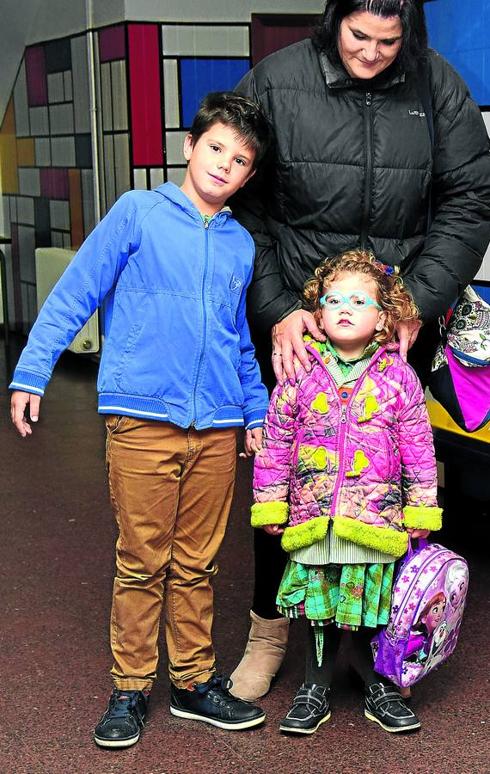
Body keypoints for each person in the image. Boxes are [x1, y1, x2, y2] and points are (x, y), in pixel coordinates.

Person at [230, 0, 490, 702]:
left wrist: (419, 302)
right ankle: (269, 630)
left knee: (393, 476)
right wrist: (280, 307)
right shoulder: (277, 80)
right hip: (301, 322)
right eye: (357, 36)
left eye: (389, 41)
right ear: (331, 19)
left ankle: (386, 635)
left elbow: (470, 200)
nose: (372, 53)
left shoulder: (436, 85)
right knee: (289, 472)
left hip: (396, 318)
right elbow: (242, 208)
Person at [9, 92, 271, 748]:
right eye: (215, 148)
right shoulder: (139, 214)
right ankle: (130, 688)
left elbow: (238, 337)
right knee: (141, 560)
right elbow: (77, 291)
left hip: (214, 426)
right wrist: (30, 371)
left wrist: (255, 410)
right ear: (190, 147)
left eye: (239, 160)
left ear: (248, 175)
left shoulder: (241, 244)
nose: (223, 165)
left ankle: (191, 682)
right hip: (142, 420)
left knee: (199, 562)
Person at [250, 249, 442, 734]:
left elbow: (419, 450)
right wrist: (269, 503)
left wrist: (422, 509)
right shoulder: (299, 375)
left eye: (359, 300)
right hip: (313, 517)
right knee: (320, 607)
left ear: (383, 318)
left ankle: (378, 684)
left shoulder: (399, 377)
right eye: (334, 299)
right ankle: (315, 687)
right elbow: (275, 444)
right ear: (318, 314)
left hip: (374, 518)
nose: (345, 307)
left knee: (368, 606)